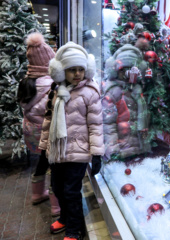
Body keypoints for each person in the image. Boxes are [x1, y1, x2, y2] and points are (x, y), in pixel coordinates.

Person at [39, 41, 104, 240]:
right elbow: (48, 121)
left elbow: (95, 125)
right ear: (61, 71)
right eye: (71, 70)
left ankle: (75, 229)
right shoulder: (56, 91)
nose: (77, 74)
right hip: (58, 151)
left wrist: (97, 154)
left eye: (81, 69)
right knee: (57, 188)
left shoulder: (90, 93)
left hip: (78, 152)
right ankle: (66, 217)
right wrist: (43, 148)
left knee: (71, 191)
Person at [17, 32, 60, 217]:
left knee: (41, 162)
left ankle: (36, 195)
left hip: (32, 132)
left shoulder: (25, 82)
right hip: (47, 134)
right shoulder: (51, 84)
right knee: (55, 168)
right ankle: (56, 206)